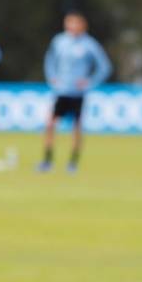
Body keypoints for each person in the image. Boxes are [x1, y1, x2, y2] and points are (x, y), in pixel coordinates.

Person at [37, 11, 111, 174]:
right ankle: (47, 161)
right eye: (69, 23)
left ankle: (72, 163)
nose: (71, 26)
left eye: (75, 23)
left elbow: (104, 67)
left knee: (77, 128)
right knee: (50, 124)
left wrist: (90, 82)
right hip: (61, 91)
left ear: (82, 25)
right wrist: (52, 77)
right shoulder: (59, 41)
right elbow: (50, 61)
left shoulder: (89, 44)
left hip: (78, 93)